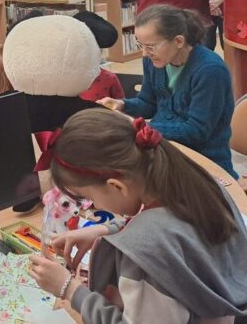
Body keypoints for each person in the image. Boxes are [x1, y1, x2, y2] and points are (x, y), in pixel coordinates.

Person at [28, 109, 247, 322]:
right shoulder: (199, 185)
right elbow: (171, 228)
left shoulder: (144, 262)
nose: (93, 204)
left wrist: (68, 288)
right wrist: (106, 229)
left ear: (116, 186)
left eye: (88, 196)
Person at [97, 5, 237, 178]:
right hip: (163, 151)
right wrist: (122, 105)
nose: (145, 53)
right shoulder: (155, 62)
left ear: (178, 41)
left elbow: (196, 132)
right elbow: (148, 104)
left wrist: (138, 126)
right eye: (140, 45)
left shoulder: (210, 70)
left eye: (151, 46)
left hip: (204, 162)